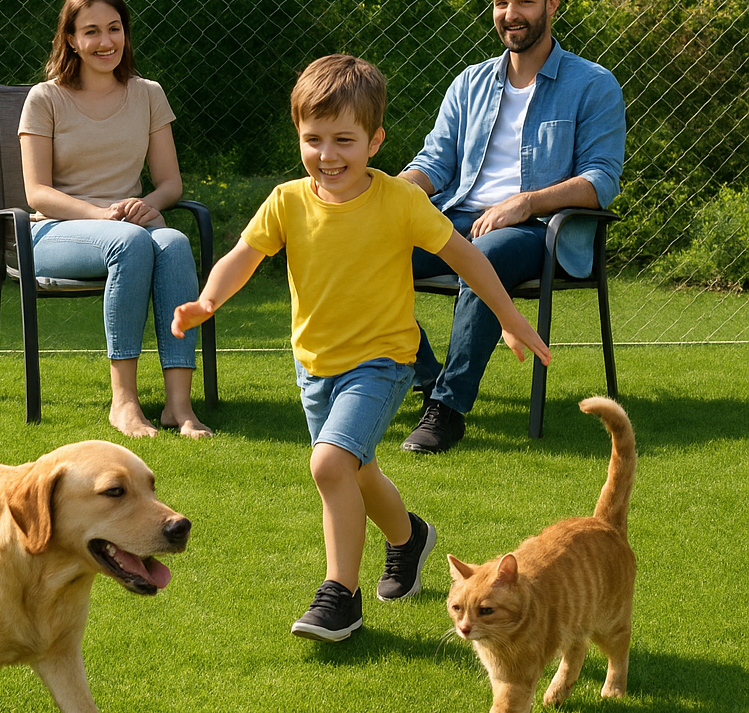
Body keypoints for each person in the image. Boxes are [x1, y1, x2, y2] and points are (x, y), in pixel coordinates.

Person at [172, 54, 550, 642]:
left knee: (329, 464)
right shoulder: (287, 200)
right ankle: (409, 537)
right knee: (359, 469)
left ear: (374, 141)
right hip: (314, 365)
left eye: (344, 140)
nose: (327, 155)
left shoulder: (399, 201)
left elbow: (466, 256)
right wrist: (207, 300)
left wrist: (508, 315)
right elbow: (243, 255)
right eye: (313, 139)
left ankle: (339, 596)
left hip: (384, 361)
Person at [400, 0, 626, 455]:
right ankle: (426, 380)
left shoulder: (593, 84)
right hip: (460, 216)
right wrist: (390, 195)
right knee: (368, 247)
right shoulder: (470, 82)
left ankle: (447, 411)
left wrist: (525, 203)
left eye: (524, 1)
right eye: (501, 3)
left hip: (540, 231)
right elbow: (434, 162)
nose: (511, 14)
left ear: (552, 5)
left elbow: (601, 180)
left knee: (485, 254)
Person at [18, 0, 211, 439]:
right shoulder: (44, 99)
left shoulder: (148, 94)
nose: (106, 41)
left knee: (174, 242)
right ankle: (123, 402)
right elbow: (36, 193)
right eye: (91, 31)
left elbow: (170, 183)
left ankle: (178, 406)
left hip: (131, 227)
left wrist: (146, 205)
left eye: (114, 28)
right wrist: (101, 215)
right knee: (128, 241)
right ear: (70, 39)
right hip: (57, 232)